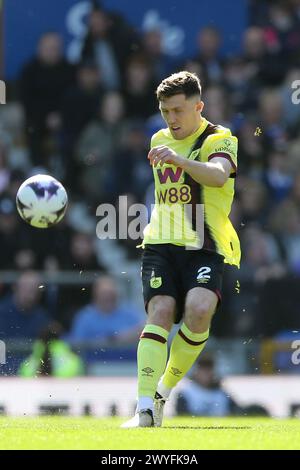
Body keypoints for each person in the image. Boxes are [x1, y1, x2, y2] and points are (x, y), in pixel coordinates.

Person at [122, 71, 240, 428]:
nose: (171, 119)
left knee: (200, 310)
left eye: (178, 110)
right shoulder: (159, 139)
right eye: (165, 111)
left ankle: (162, 392)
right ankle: (143, 408)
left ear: (198, 107)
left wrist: (181, 162)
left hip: (205, 245)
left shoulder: (220, 138)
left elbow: (219, 175)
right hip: (160, 243)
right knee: (160, 310)